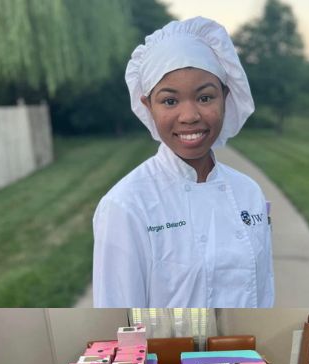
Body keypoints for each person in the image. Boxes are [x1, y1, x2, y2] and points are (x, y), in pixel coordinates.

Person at [93, 17, 274, 307]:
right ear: (147, 106)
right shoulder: (126, 205)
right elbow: (117, 311)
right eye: (169, 101)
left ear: (225, 98)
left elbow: (264, 294)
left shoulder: (249, 192)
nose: (189, 116)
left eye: (205, 97)